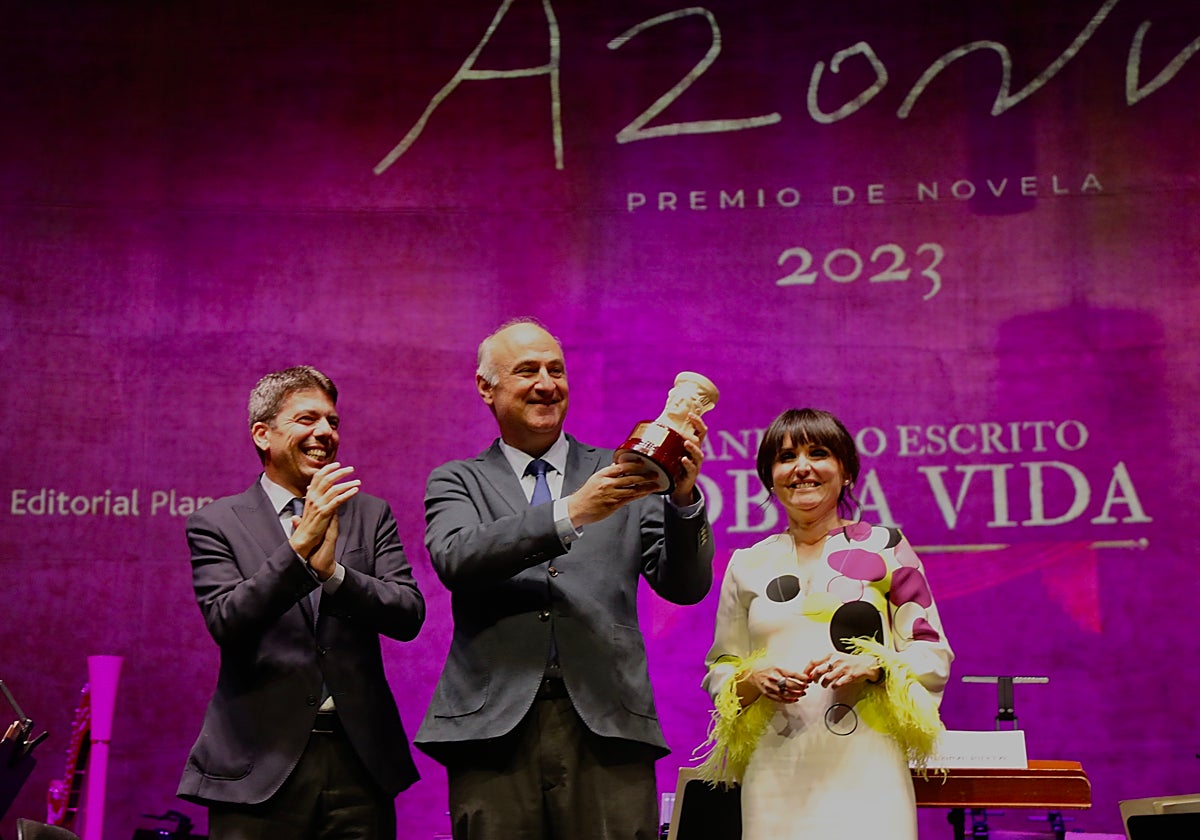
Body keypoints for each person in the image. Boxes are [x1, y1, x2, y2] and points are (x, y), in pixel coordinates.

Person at [416, 319, 716, 840]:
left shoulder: (625, 471)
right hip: (493, 731)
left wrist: (683, 500)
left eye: (556, 370)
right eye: (527, 370)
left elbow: (684, 587)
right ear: (486, 387)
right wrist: (572, 511)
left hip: (609, 723)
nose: (546, 383)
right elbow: (456, 558)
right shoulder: (457, 479)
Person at [177, 366, 426, 839]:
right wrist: (298, 553)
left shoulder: (369, 514)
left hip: (359, 761)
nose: (325, 433)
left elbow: (408, 613)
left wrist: (334, 574)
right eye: (307, 419)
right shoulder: (216, 522)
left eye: (332, 422)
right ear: (263, 434)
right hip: (256, 764)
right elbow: (227, 621)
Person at [698, 408, 952, 840]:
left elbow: (932, 653)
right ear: (770, 476)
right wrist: (752, 677)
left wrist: (874, 666)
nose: (801, 468)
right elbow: (721, 667)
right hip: (775, 768)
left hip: (870, 763)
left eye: (818, 453)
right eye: (785, 457)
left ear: (846, 470)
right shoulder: (748, 563)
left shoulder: (887, 546)